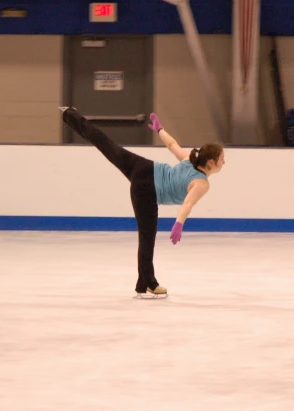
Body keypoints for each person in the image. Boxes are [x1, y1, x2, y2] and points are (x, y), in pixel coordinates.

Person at [60, 107, 225, 299]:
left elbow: (172, 144)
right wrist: (178, 224)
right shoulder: (202, 183)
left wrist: (159, 129)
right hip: (148, 190)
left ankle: (69, 115)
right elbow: (188, 204)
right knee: (147, 239)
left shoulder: (190, 160)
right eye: (222, 159)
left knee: (106, 145)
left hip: (144, 167)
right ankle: (148, 283)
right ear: (211, 162)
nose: (224, 162)